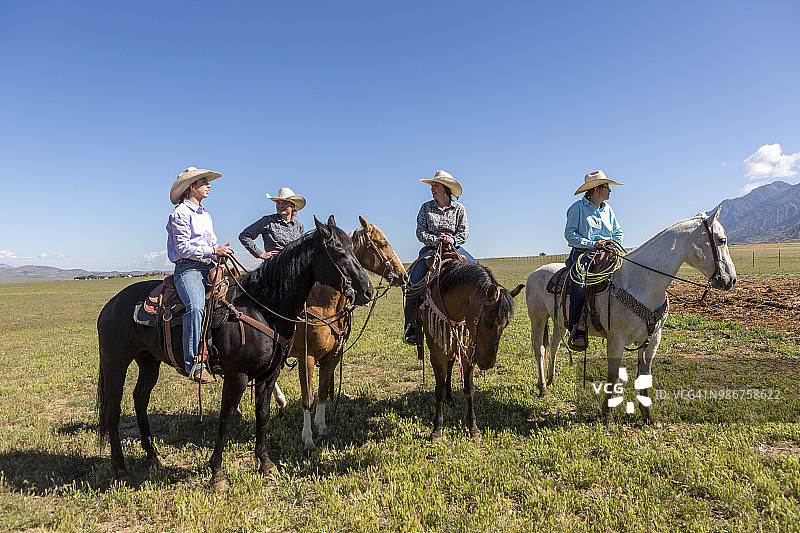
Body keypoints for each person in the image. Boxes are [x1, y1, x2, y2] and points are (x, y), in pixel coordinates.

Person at [167, 167, 235, 384]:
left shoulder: (206, 215)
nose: (209, 185)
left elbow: (211, 244)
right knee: (196, 306)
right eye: (204, 182)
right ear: (190, 187)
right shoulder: (179, 214)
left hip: (209, 266)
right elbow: (183, 248)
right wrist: (213, 250)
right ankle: (193, 363)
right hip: (188, 269)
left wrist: (220, 252)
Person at [403, 170, 477, 345]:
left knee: (478, 274)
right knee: (413, 283)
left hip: (454, 248)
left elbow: (464, 232)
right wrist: (436, 240)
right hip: (431, 249)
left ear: (445, 188)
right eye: (432, 186)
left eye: (435, 185)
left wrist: (451, 239)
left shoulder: (459, 209)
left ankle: (478, 322)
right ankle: (411, 326)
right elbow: (420, 232)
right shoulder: (425, 208)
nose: (432, 189)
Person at [564, 170, 624, 349]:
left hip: (608, 252)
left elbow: (618, 231)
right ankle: (577, 328)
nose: (610, 190)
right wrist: (592, 244)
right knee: (579, 285)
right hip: (583, 253)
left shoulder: (608, 210)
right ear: (596, 189)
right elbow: (570, 234)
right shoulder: (577, 208)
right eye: (607, 187)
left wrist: (613, 243)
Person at [239, 187, 306, 260]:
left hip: (293, 264)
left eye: (285, 203)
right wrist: (260, 254)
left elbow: (303, 247)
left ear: (292, 206)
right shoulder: (267, 221)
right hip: (274, 264)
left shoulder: (299, 226)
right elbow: (244, 236)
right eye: (278, 203)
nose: (280, 206)